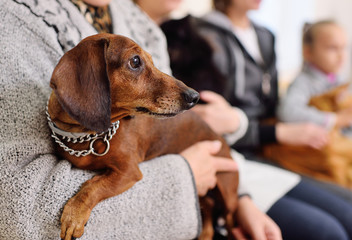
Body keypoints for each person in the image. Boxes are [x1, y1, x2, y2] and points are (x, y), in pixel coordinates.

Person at [0, 0, 241, 239]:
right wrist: (182, 178)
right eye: (135, 64)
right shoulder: (16, 21)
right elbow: (19, 211)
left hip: (213, 174)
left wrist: (243, 201)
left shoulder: (140, 20)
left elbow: (204, 144)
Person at [138, 0, 352, 239]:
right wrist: (272, 131)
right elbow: (210, 119)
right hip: (234, 150)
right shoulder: (197, 34)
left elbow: (269, 108)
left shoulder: (265, 36)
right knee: (328, 230)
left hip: (265, 148)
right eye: (333, 48)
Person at [278, 20, 352, 130]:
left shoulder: (340, 81)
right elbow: (287, 111)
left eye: (343, 47)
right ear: (308, 52)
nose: (341, 55)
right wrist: (334, 120)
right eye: (332, 48)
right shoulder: (303, 82)